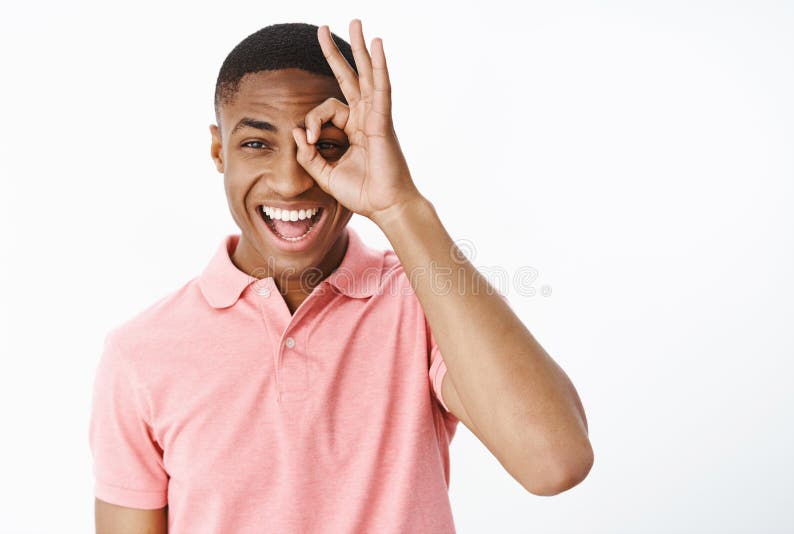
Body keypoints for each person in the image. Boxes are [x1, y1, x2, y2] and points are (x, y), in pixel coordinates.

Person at [89, 19, 593, 533]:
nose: (290, 182)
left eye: (325, 145)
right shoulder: (140, 353)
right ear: (219, 150)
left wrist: (400, 205)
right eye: (257, 145)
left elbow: (555, 462)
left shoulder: (423, 303)